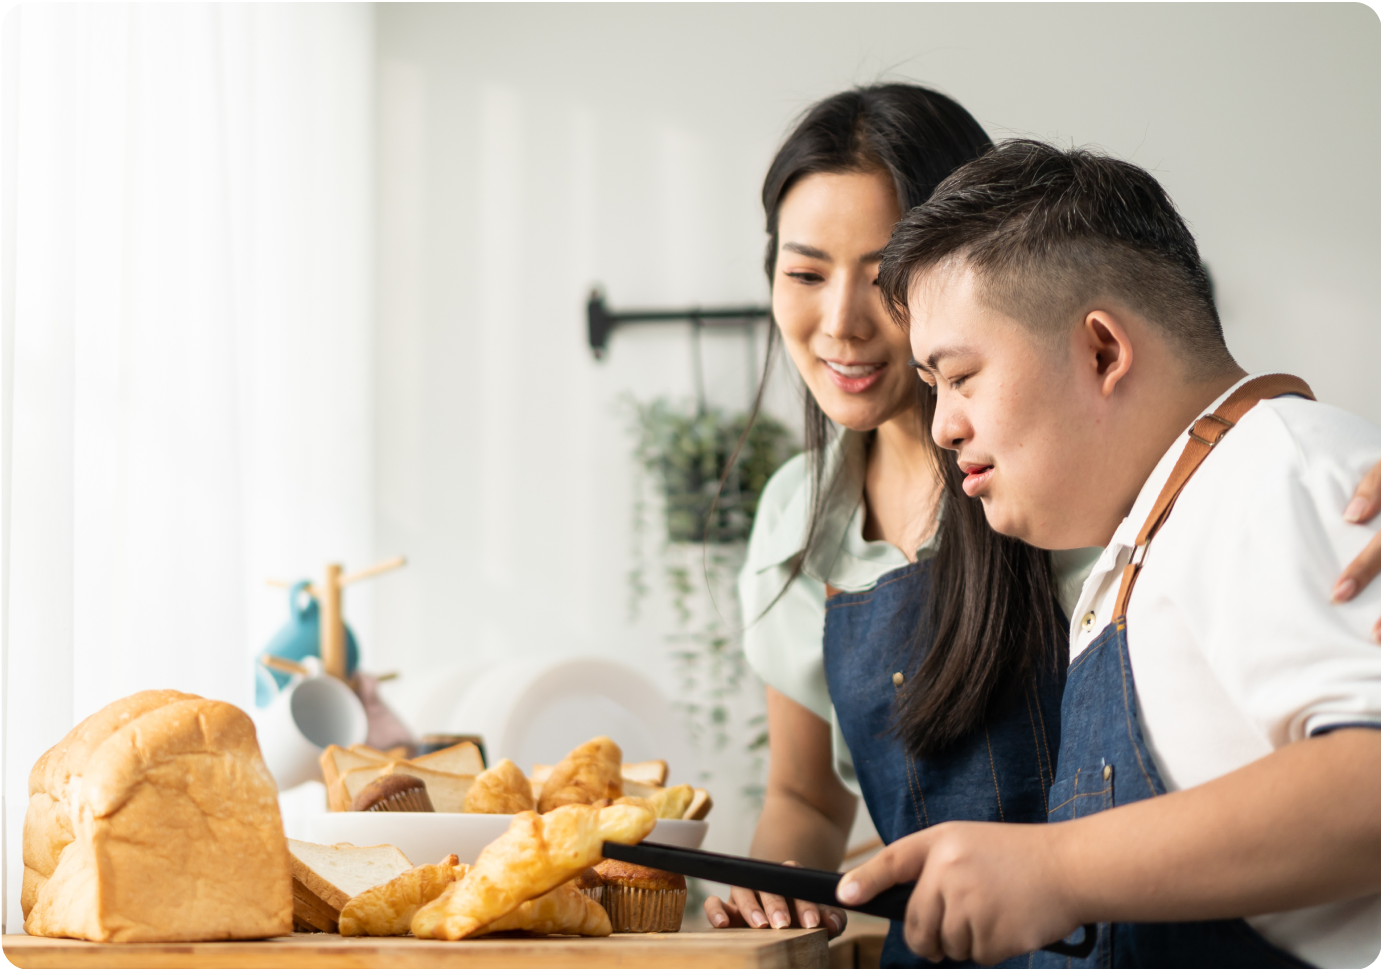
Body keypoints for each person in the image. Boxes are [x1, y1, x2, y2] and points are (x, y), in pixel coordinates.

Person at [841, 140, 1381, 969]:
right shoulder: (1167, 527)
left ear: (1101, 349)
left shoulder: (1278, 472)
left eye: (959, 376)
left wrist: (1059, 867)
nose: (941, 425)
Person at [704, 86, 1092, 969]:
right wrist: (775, 882)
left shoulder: (1080, 474)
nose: (839, 322)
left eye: (886, 280)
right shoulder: (796, 517)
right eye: (804, 274)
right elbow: (803, 796)